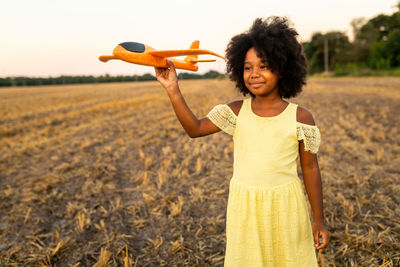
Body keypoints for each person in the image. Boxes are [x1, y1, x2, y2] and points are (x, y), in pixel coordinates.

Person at [154, 16, 330, 266]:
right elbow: (194, 129)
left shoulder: (301, 117)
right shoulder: (236, 111)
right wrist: (172, 89)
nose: (254, 74)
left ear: (283, 68)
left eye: (264, 66)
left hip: (287, 207)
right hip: (245, 208)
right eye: (247, 68)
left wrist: (318, 219)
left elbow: (311, 168)